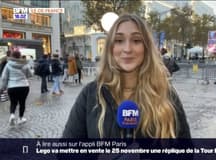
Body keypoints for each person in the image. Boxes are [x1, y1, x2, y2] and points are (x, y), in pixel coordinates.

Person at [62, 13, 191, 139]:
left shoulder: (166, 94)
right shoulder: (90, 94)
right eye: (119, 40)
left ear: (146, 47)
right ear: (110, 48)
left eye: (136, 40)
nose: (127, 49)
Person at [0, 51, 32, 125]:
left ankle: (12, 115)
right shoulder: (25, 64)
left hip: (12, 86)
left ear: (12, 56)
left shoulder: (8, 64)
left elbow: (4, 77)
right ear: (20, 56)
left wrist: (2, 88)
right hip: (24, 86)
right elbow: (30, 74)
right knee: (22, 102)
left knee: (13, 102)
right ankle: (20, 118)